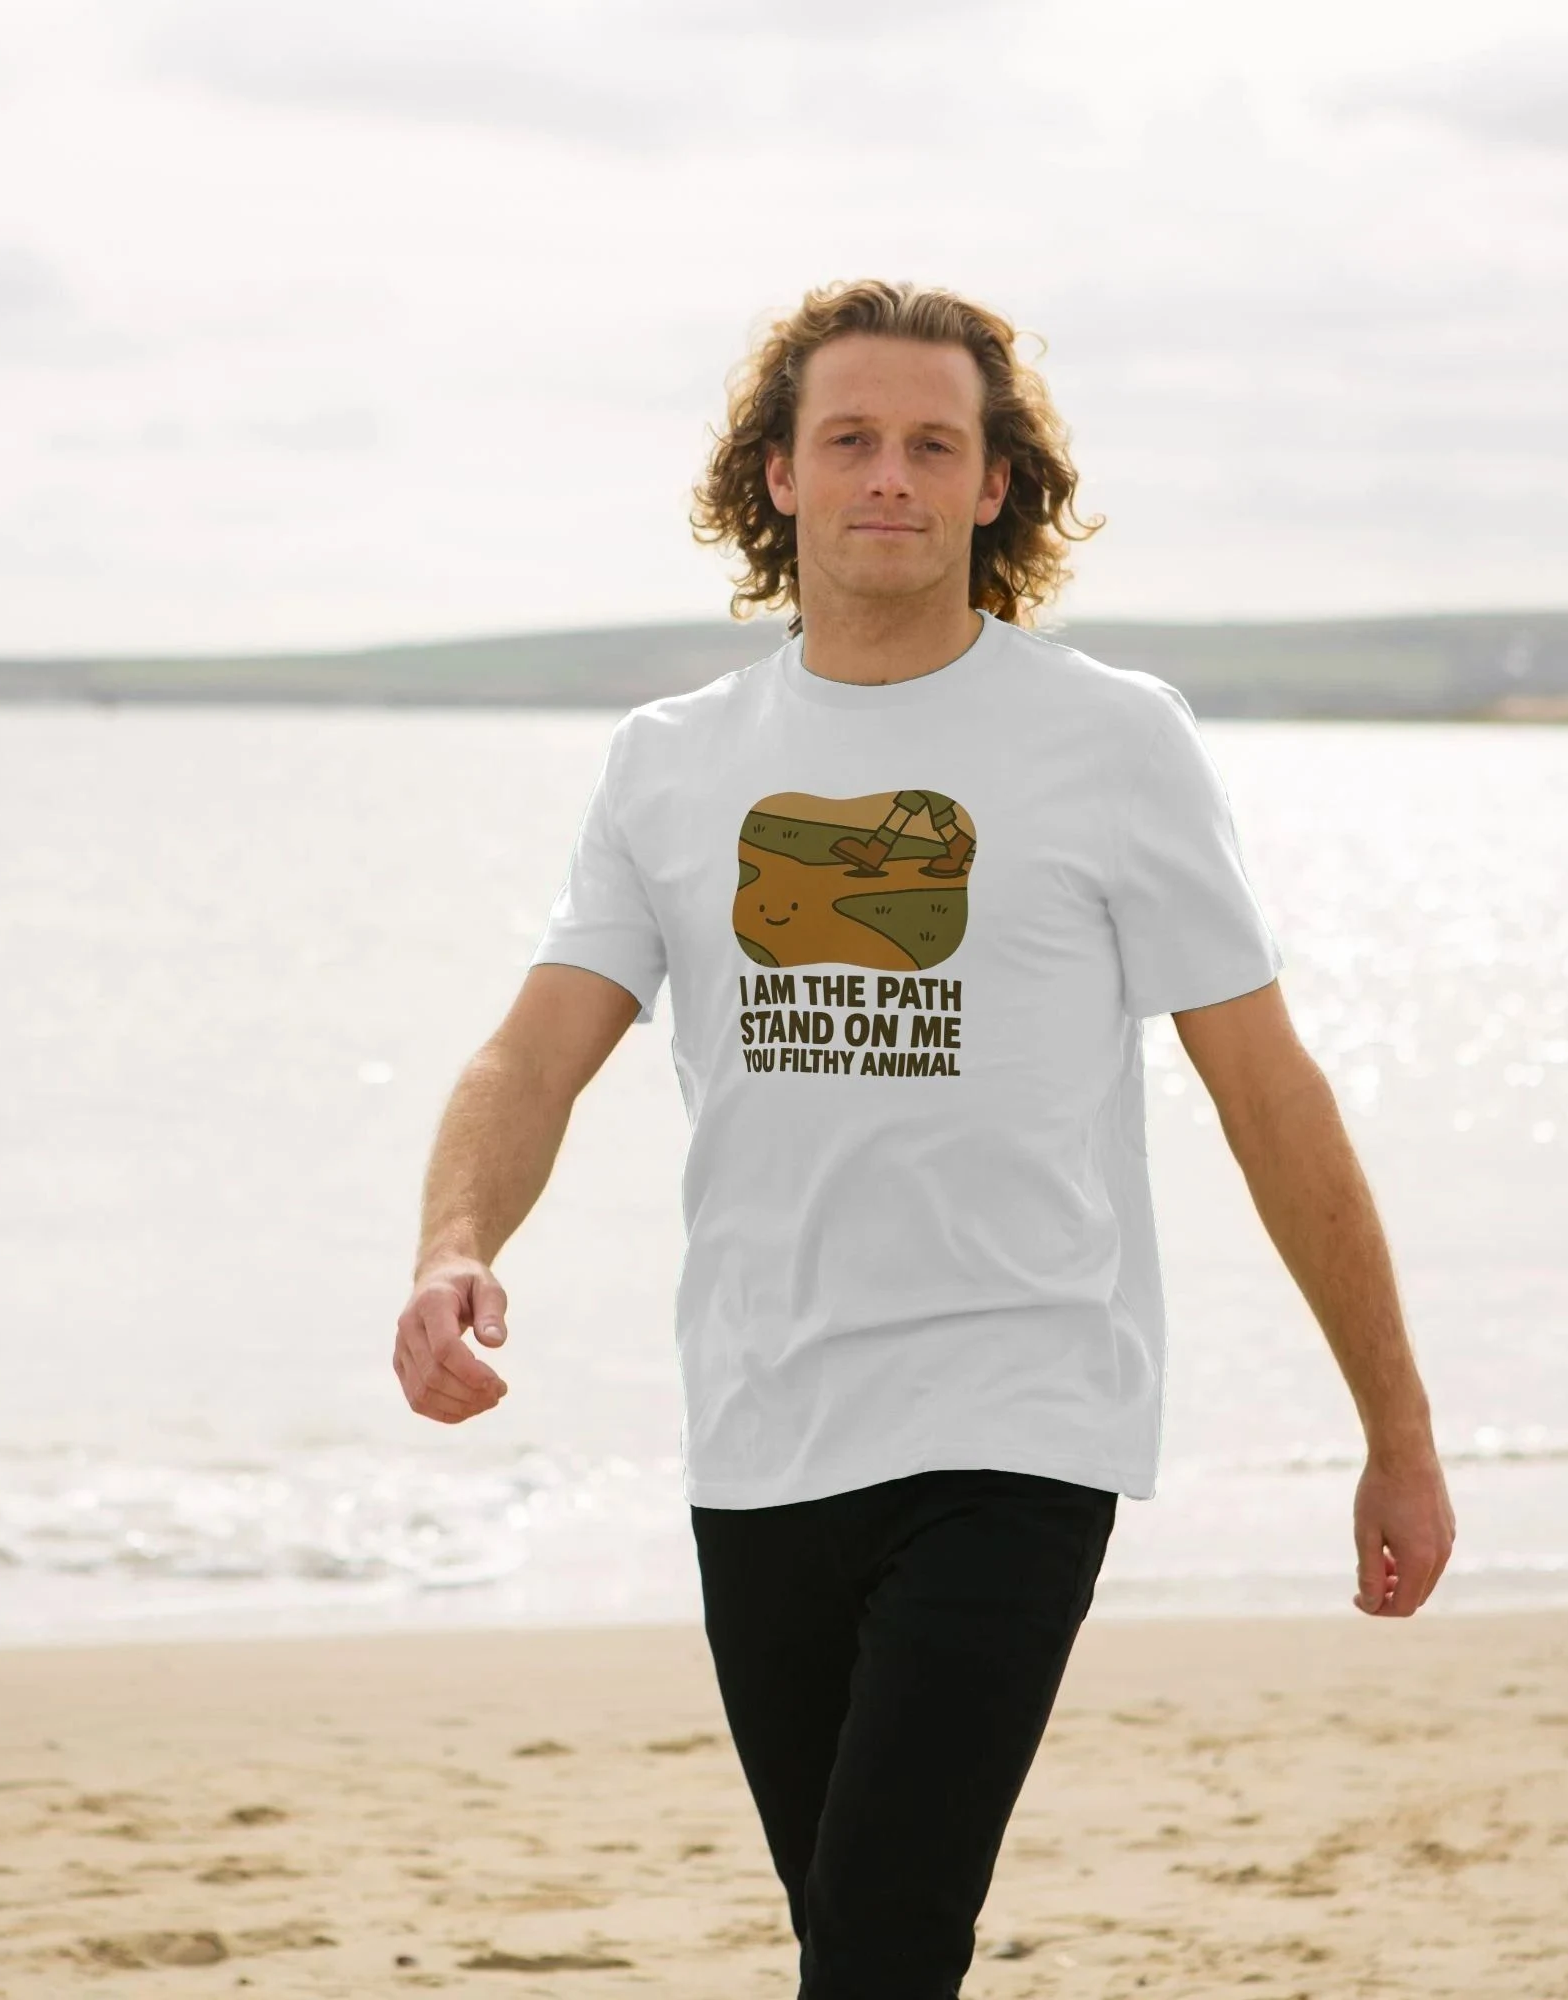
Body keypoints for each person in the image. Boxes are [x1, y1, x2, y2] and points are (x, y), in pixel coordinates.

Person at [391, 278, 1455, 1997]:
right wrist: (456, 1245)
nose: (890, 473)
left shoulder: (1113, 739)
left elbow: (1270, 1096)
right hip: (758, 1432)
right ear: (779, 476)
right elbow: (533, 1051)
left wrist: (1396, 1432)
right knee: (857, 1942)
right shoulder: (669, 763)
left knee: (878, 1950)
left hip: (1016, 1420)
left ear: (993, 486)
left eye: (933, 444)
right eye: (851, 438)